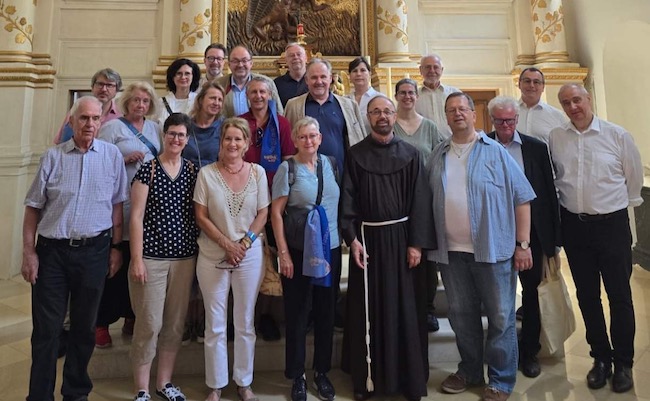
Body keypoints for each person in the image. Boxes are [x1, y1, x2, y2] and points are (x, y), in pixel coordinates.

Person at [427, 92, 535, 401]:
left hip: (493, 250)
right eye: (451, 110)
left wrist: (523, 244)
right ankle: (471, 370)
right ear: (446, 117)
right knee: (462, 316)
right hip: (451, 253)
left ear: (474, 115)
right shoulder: (438, 154)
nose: (457, 113)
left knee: (500, 316)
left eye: (463, 108)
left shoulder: (496, 151)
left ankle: (500, 379)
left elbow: (522, 197)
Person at [22, 96, 128, 401]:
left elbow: (116, 206)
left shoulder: (111, 156)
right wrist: (29, 253)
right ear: (71, 122)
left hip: (94, 252)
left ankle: (76, 393)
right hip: (52, 253)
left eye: (95, 118)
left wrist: (116, 247)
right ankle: (39, 395)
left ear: (101, 121)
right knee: (47, 330)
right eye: (83, 118)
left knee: (84, 328)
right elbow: (32, 207)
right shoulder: (52, 157)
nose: (90, 124)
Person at [549, 84, 643, 393]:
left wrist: (609, 207)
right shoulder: (556, 138)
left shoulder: (617, 136)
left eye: (577, 99)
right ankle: (601, 359)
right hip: (575, 228)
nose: (572, 106)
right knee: (587, 297)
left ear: (588, 99)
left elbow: (633, 183)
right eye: (566, 102)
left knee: (620, 296)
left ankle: (624, 363)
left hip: (611, 226)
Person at [341, 96, 436, 401]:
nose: (381, 116)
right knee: (367, 310)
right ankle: (367, 378)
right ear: (368, 117)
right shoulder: (355, 155)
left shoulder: (411, 154)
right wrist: (352, 239)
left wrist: (416, 244)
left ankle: (408, 380)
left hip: (403, 242)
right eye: (375, 112)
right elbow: (348, 200)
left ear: (395, 116)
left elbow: (421, 200)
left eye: (386, 111)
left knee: (406, 310)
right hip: (367, 243)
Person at [194, 117, 270, 401]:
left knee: (245, 321)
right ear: (221, 142)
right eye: (228, 138)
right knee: (214, 323)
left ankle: (244, 382)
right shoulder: (207, 174)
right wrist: (227, 244)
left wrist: (244, 243)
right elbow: (200, 216)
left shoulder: (257, 173)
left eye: (238, 138)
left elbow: (263, 213)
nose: (233, 143)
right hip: (213, 254)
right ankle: (215, 384)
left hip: (248, 256)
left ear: (246, 143)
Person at [486, 96, 561, 378]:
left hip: (533, 234)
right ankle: (502, 353)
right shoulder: (481, 145)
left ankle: (529, 351)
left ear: (517, 119)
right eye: (500, 120)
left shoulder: (536, 148)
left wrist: (553, 241)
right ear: (492, 120)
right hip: (494, 232)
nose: (506, 125)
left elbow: (548, 193)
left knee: (531, 294)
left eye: (510, 120)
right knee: (497, 298)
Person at [128, 113, 199, 401]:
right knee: (149, 324)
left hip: (184, 259)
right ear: (164, 135)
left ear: (187, 139)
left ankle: (164, 383)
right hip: (152, 258)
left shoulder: (192, 171)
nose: (176, 139)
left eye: (181, 135)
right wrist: (136, 258)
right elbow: (136, 217)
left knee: (174, 324)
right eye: (172, 133)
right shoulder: (148, 170)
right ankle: (142, 389)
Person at [271, 117, 341, 401]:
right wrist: (283, 253)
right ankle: (297, 374)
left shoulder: (331, 164)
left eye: (313, 136)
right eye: (303, 137)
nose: (308, 141)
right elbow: (276, 214)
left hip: (329, 248)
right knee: (298, 314)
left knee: (326, 312)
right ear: (295, 140)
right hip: (299, 251)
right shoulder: (287, 169)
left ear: (320, 138)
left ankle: (321, 372)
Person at [97, 81, 162, 348]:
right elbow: (97, 161)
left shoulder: (155, 128)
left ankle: (131, 316)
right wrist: (123, 160)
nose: (140, 105)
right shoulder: (112, 128)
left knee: (139, 265)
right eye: (136, 100)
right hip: (119, 205)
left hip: (147, 207)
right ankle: (101, 322)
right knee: (115, 264)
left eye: (145, 101)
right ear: (127, 102)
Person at [240, 76, 296, 342]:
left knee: (272, 256)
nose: (258, 96)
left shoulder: (281, 123)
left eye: (263, 92)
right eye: (253, 92)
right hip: (246, 200)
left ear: (270, 95)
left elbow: (288, 160)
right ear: (247, 96)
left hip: (275, 199)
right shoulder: (241, 122)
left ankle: (269, 315)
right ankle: (248, 315)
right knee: (251, 258)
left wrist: (282, 197)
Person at [392, 77, 444, 333]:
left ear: (417, 96)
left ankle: (427, 309)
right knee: (400, 256)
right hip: (396, 201)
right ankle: (403, 308)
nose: (407, 97)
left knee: (426, 259)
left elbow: (440, 159)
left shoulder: (430, 127)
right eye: (402, 93)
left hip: (426, 200)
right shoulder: (390, 125)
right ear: (396, 96)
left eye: (411, 92)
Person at [179, 81, 226, 345]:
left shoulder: (223, 127)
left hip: (215, 198)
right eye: (212, 98)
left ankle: (206, 320)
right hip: (186, 197)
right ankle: (187, 320)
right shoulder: (185, 126)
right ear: (201, 100)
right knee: (189, 260)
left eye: (220, 99)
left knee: (210, 259)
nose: (216, 103)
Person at [284, 58, 366, 174]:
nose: (319, 82)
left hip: (341, 173)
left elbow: (360, 142)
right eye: (314, 77)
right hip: (304, 175)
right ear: (306, 80)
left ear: (330, 78)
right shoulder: (293, 106)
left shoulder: (349, 106)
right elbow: (287, 143)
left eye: (323, 77)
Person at [53, 68, 123, 144]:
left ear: (116, 90)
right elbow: (60, 143)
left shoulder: (121, 117)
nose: (104, 89)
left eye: (109, 85)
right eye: (100, 84)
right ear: (92, 87)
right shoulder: (76, 111)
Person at [215, 45, 283, 117]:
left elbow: (278, 113)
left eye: (244, 60)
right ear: (229, 64)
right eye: (235, 61)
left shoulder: (267, 83)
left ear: (251, 63)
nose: (240, 65)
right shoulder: (218, 84)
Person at [517, 67, 566, 145]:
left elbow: (562, 146)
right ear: (519, 84)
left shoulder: (557, 116)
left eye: (536, 82)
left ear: (543, 87)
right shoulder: (507, 113)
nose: (531, 85)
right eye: (527, 81)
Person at [415, 54, 460, 138]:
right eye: (428, 67)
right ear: (421, 70)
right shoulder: (413, 97)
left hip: (451, 142)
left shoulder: (454, 93)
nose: (432, 71)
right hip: (425, 144)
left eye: (435, 67)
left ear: (441, 70)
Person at [158, 58, 201, 126]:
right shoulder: (160, 103)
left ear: (193, 77)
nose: (183, 77)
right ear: (173, 77)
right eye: (179, 73)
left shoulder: (199, 101)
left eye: (187, 73)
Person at [347, 57, 381, 133]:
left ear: (369, 74)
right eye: (355, 71)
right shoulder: (345, 100)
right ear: (350, 76)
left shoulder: (380, 98)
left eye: (363, 70)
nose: (358, 74)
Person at [274, 42, 309, 107]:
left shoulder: (314, 81)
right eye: (291, 55)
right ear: (286, 60)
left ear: (306, 58)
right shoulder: (277, 84)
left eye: (299, 54)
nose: (295, 57)